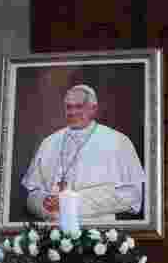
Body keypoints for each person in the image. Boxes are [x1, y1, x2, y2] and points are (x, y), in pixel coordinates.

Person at [22, 84, 145, 223]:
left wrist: (71, 203)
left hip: (98, 233)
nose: (73, 112)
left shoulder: (118, 141)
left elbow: (131, 196)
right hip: (52, 233)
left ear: (93, 109)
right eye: (69, 107)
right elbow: (31, 196)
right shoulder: (49, 143)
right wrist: (44, 203)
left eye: (79, 106)